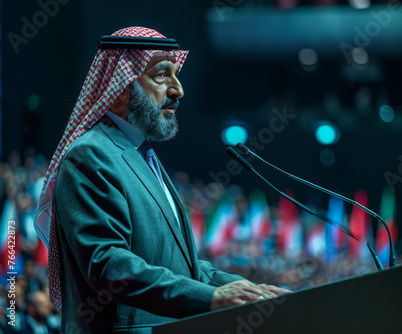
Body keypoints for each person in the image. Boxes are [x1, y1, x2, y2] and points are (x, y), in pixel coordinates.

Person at [34, 27, 290, 333]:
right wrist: (210, 297)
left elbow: (182, 266)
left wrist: (247, 289)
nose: (178, 90)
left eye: (176, 75)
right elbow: (107, 265)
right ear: (120, 89)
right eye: (161, 76)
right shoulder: (91, 154)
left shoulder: (141, 153)